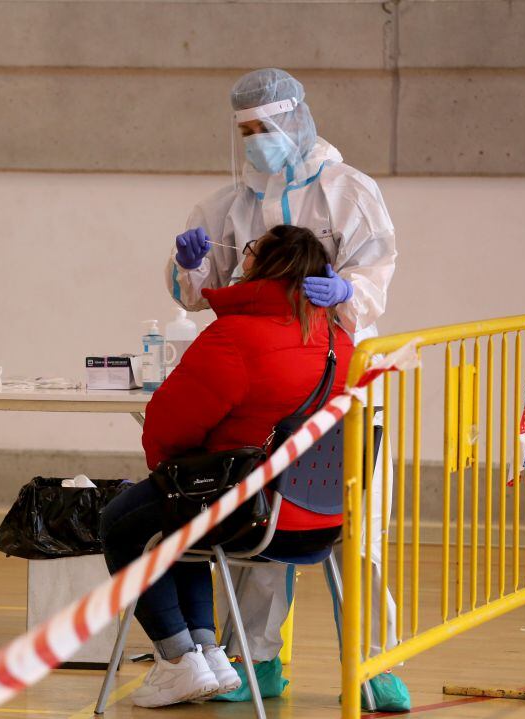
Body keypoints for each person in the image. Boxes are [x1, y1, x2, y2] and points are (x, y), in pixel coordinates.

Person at [164, 68, 402, 706]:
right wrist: (185, 265)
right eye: (243, 131)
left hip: (338, 385)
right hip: (270, 399)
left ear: (295, 121)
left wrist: (348, 291)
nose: (254, 142)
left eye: (263, 129)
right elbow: (198, 291)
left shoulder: (349, 193)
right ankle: (253, 659)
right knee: (266, 527)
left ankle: (376, 663)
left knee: (358, 533)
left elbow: (375, 273)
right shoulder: (226, 205)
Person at [102, 226, 353, 708]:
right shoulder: (337, 339)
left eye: (253, 251)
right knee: (178, 515)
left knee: (121, 522)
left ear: (265, 268)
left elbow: (168, 426)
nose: (243, 257)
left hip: (249, 508)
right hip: (319, 516)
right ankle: (209, 655)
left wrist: (167, 466)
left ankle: (177, 660)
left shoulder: (236, 335)